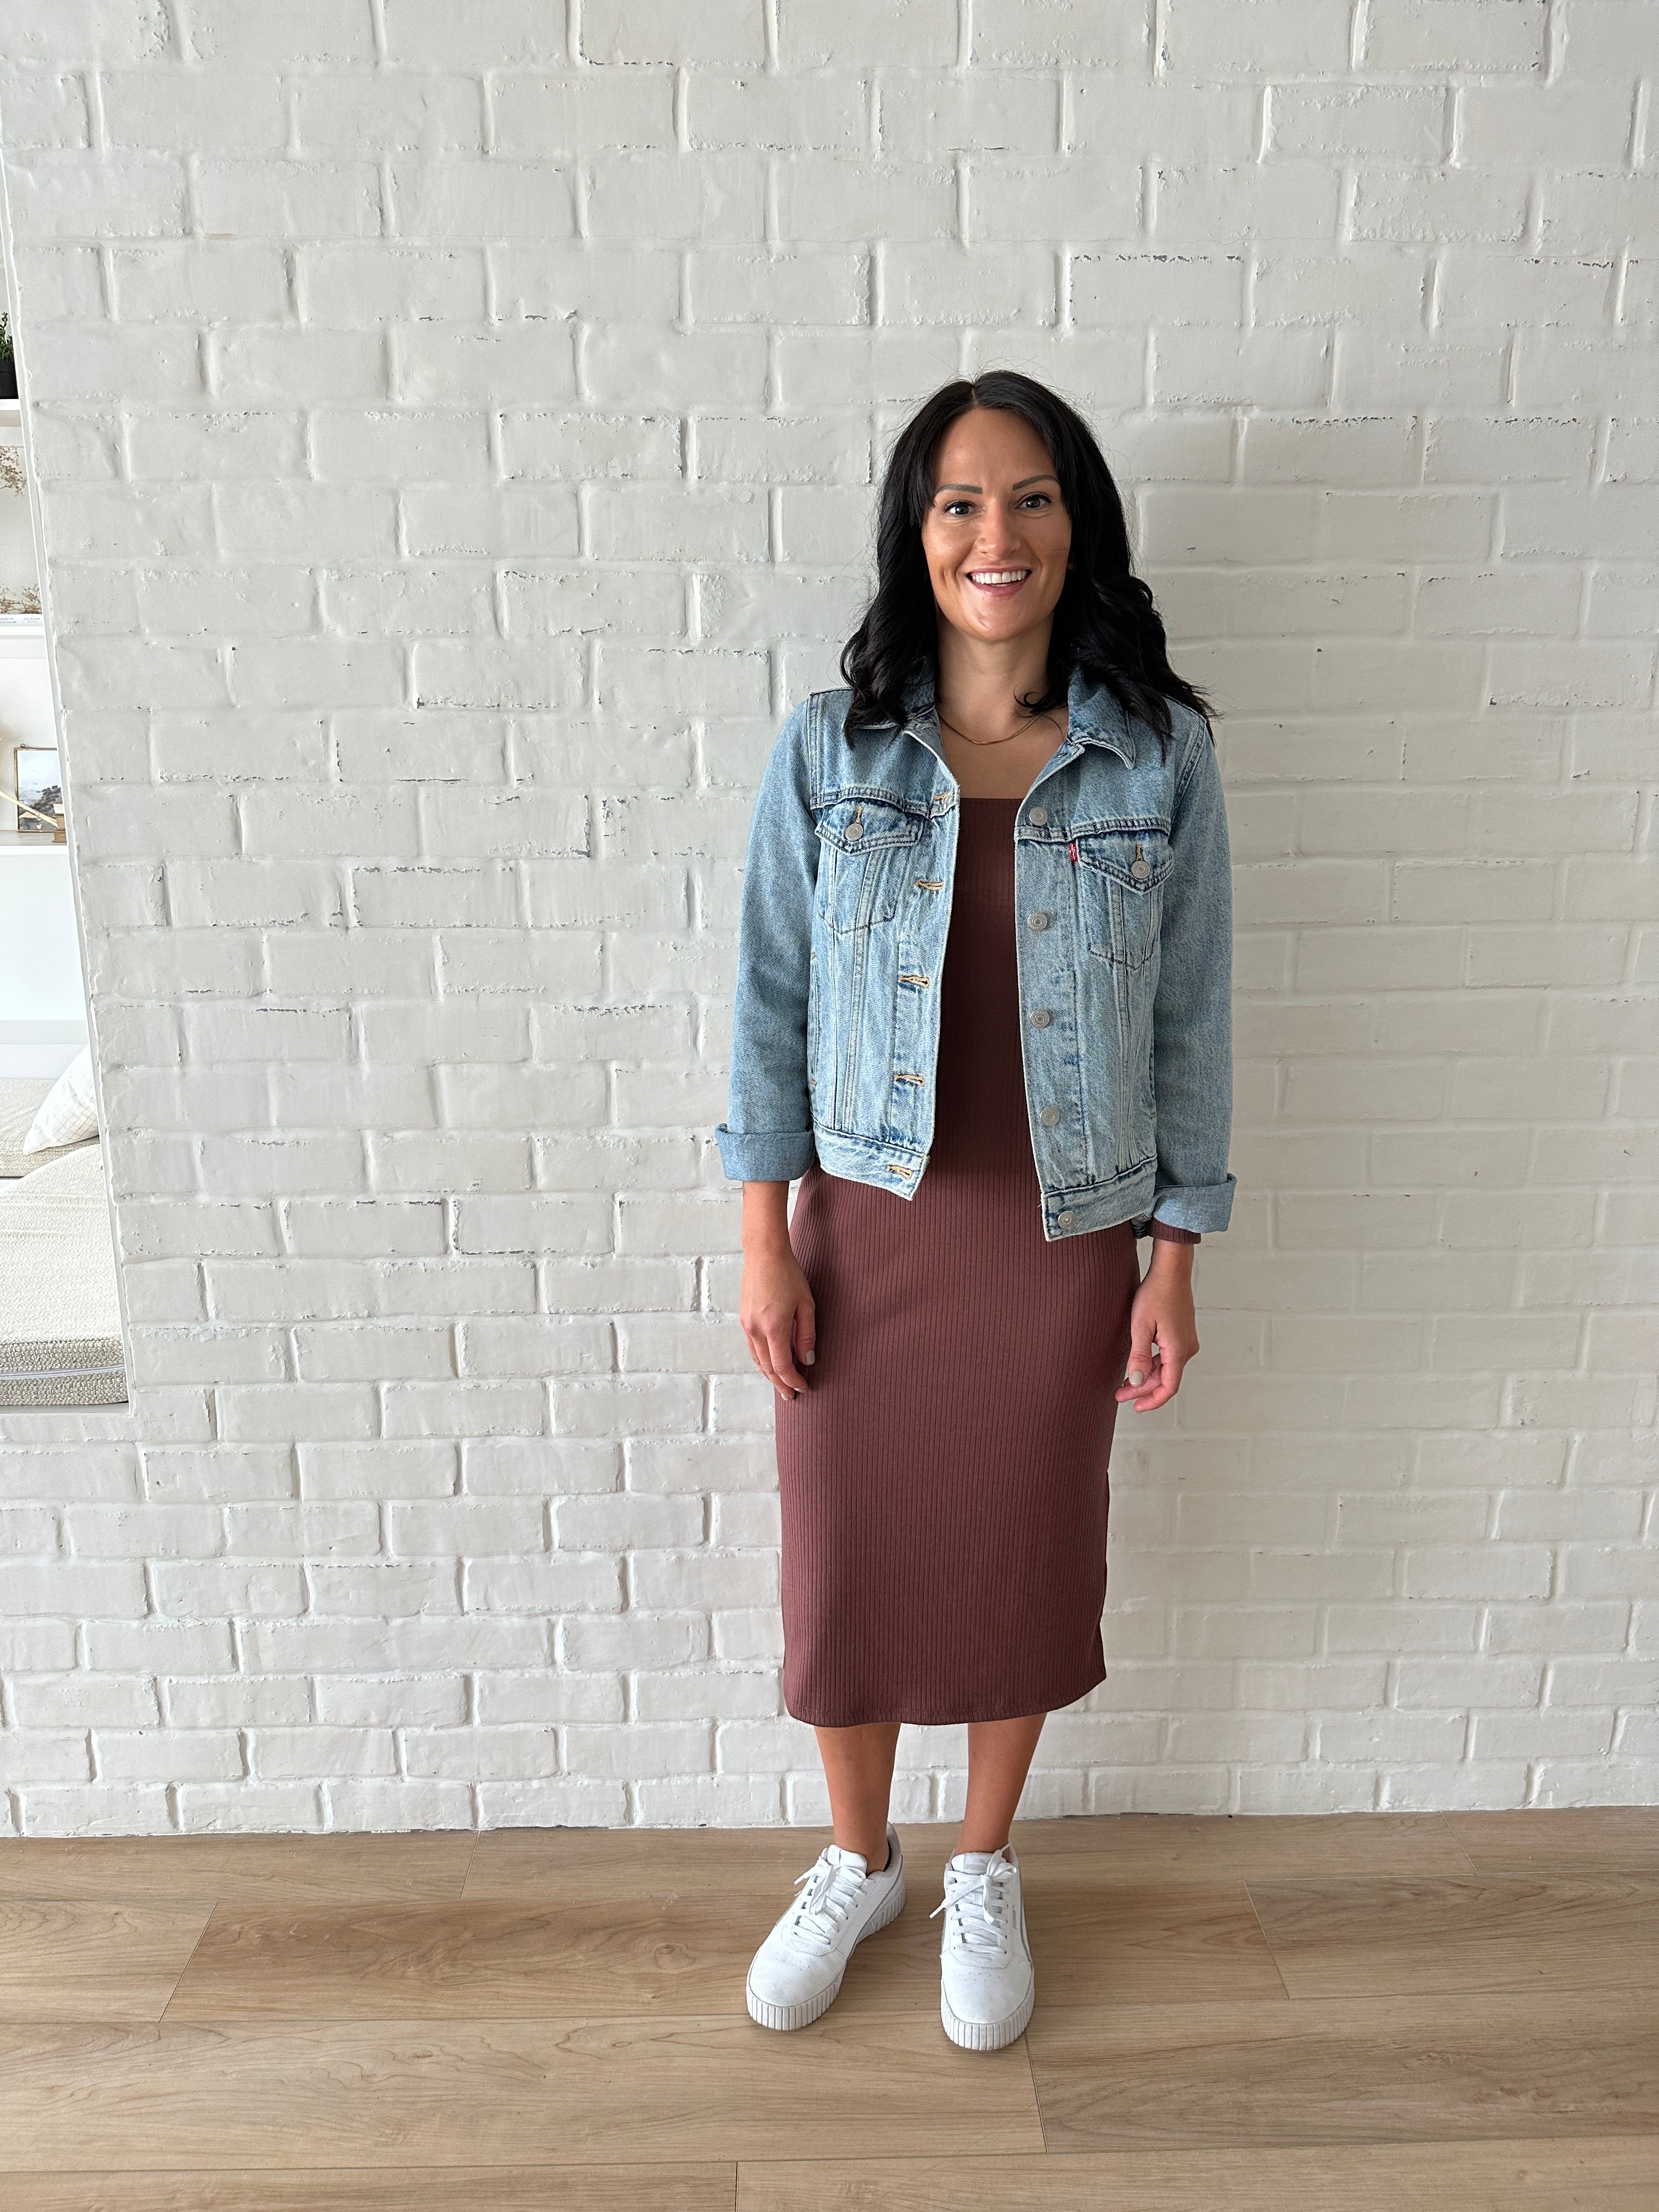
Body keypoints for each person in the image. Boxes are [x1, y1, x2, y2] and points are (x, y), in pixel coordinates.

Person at [715, 369, 1235, 2051]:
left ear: (1074, 524)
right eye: (957, 502)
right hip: (868, 1222)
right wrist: (762, 1242)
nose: (992, 534)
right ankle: (858, 1854)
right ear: (915, 533)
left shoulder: (1156, 756)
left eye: (1027, 498)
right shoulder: (834, 745)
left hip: (1065, 1230)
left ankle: (983, 1861)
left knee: (1018, 1546)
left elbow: (1192, 1022)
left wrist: (1173, 1259)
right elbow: (770, 1002)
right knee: (848, 1556)